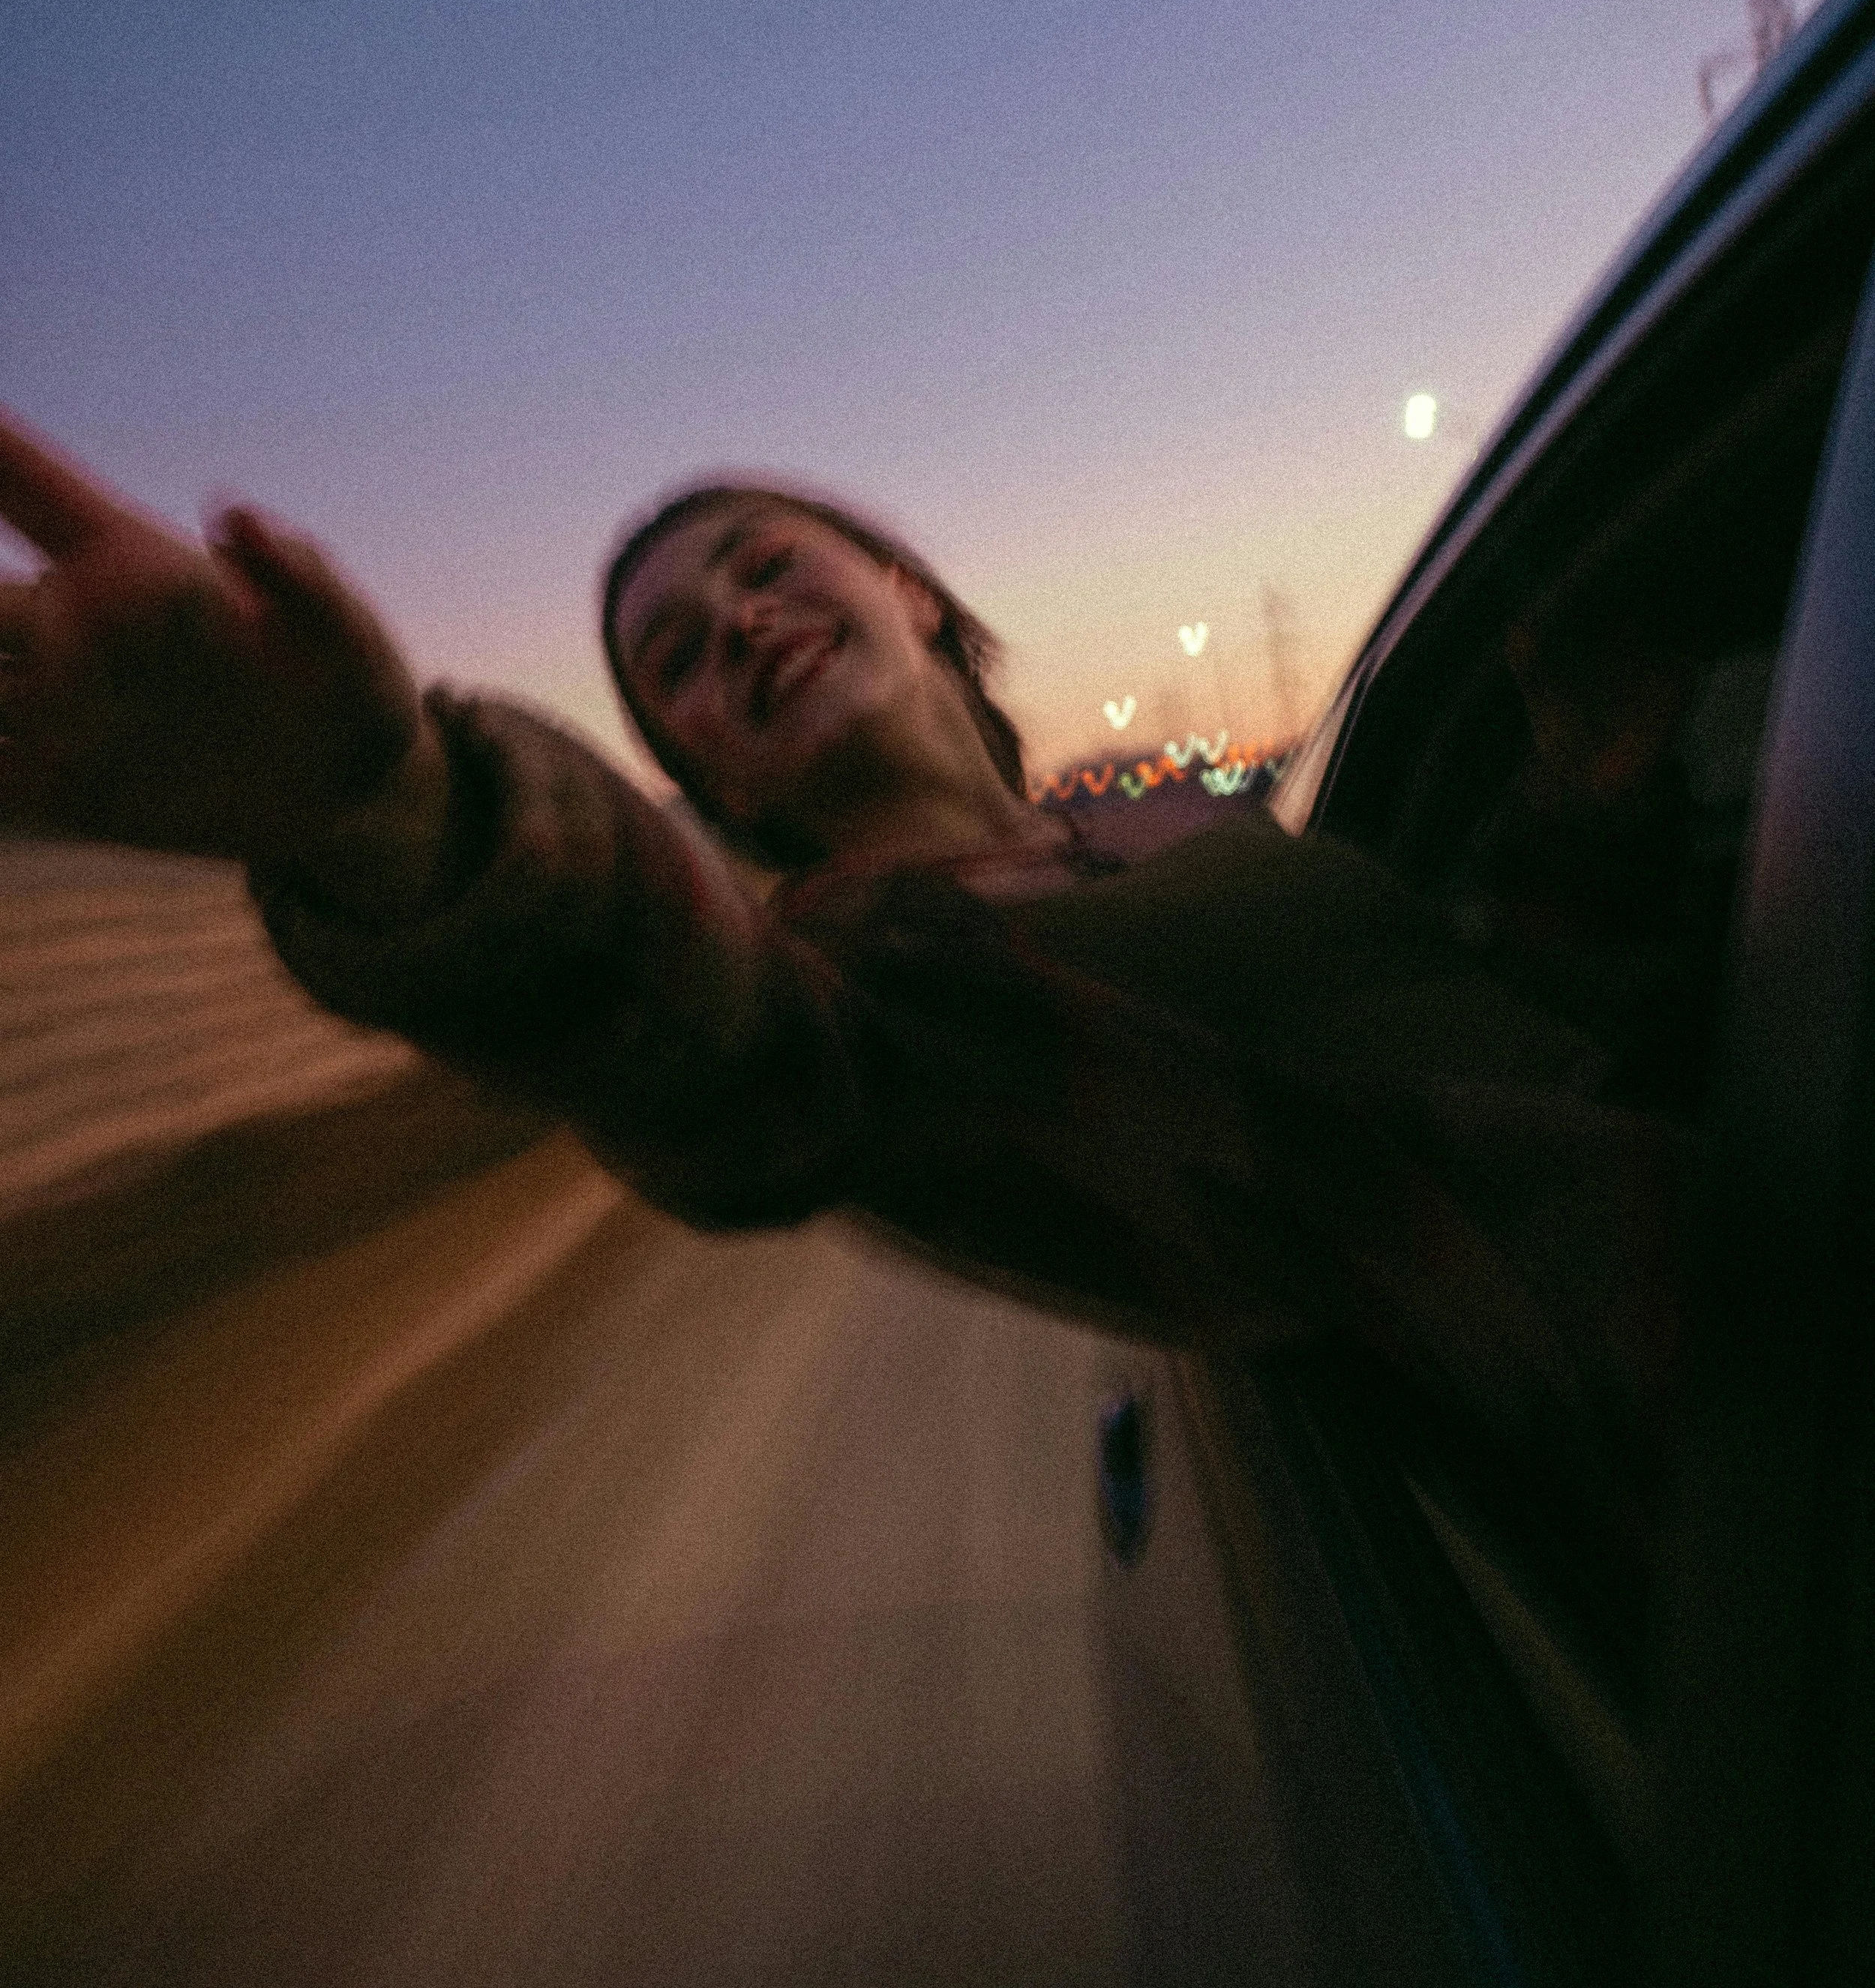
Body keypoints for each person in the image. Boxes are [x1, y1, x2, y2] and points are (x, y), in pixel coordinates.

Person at [0, 412, 1677, 1567]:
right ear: (711, 785)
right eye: (673, 659)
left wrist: (1598, 785)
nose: (732, 622)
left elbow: (1484, 1041)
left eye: (761, 563)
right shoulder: (872, 985)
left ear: (907, 591)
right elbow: (720, 1053)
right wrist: (377, 802)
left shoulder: (1170, 824)